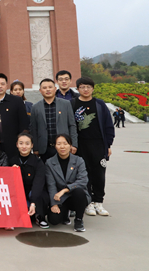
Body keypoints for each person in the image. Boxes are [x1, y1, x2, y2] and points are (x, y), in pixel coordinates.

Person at [71, 76, 115, 217]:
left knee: (99, 174)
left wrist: (108, 144)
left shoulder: (99, 104)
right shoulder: (72, 104)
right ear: (78, 89)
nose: (85, 89)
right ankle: (88, 202)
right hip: (80, 145)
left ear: (93, 88)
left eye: (88, 87)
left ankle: (98, 202)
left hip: (98, 144)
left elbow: (108, 125)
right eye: (82, 87)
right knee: (84, 174)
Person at [45, 134, 91, 232]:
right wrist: (54, 204)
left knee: (79, 192)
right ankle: (65, 213)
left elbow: (83, 181)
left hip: (76, 195)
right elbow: (51, 185)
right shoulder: (49, 163)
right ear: (55, 146)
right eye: (59, 144)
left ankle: (79, 219)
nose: (62, 147)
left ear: (70, 145)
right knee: (53, 220)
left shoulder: (79, 160)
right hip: (61, 198)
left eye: (65, 144)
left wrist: (65, 190)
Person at [0, 73, 28, 159]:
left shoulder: (17, 101)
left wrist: (21, 141)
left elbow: (23, 122)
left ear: (6, 86)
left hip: (13, 144)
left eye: (2, 84)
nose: (0, 86)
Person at [30, 78, 78, 162]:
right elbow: (34, 129)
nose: (48, 90)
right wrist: (35, 148)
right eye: (44, 88)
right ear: (40, 91)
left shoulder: (66, 104)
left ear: (55, 89)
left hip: (63, 146)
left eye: (50, 87)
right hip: (45, 148)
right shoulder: (35, 107)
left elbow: (72, 125)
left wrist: (73, 144)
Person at [9, 133, 49, 229]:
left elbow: (38, 183)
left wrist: (33, 203)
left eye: (27, 143)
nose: (24, 146)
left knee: (40, 194)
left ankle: (40, 217)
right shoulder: (12, 160)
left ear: (32, 145)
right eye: (21, 143)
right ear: (17, 145)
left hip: (34, 193)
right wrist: (12, 172)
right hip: (20, 194)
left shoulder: (38, 162)